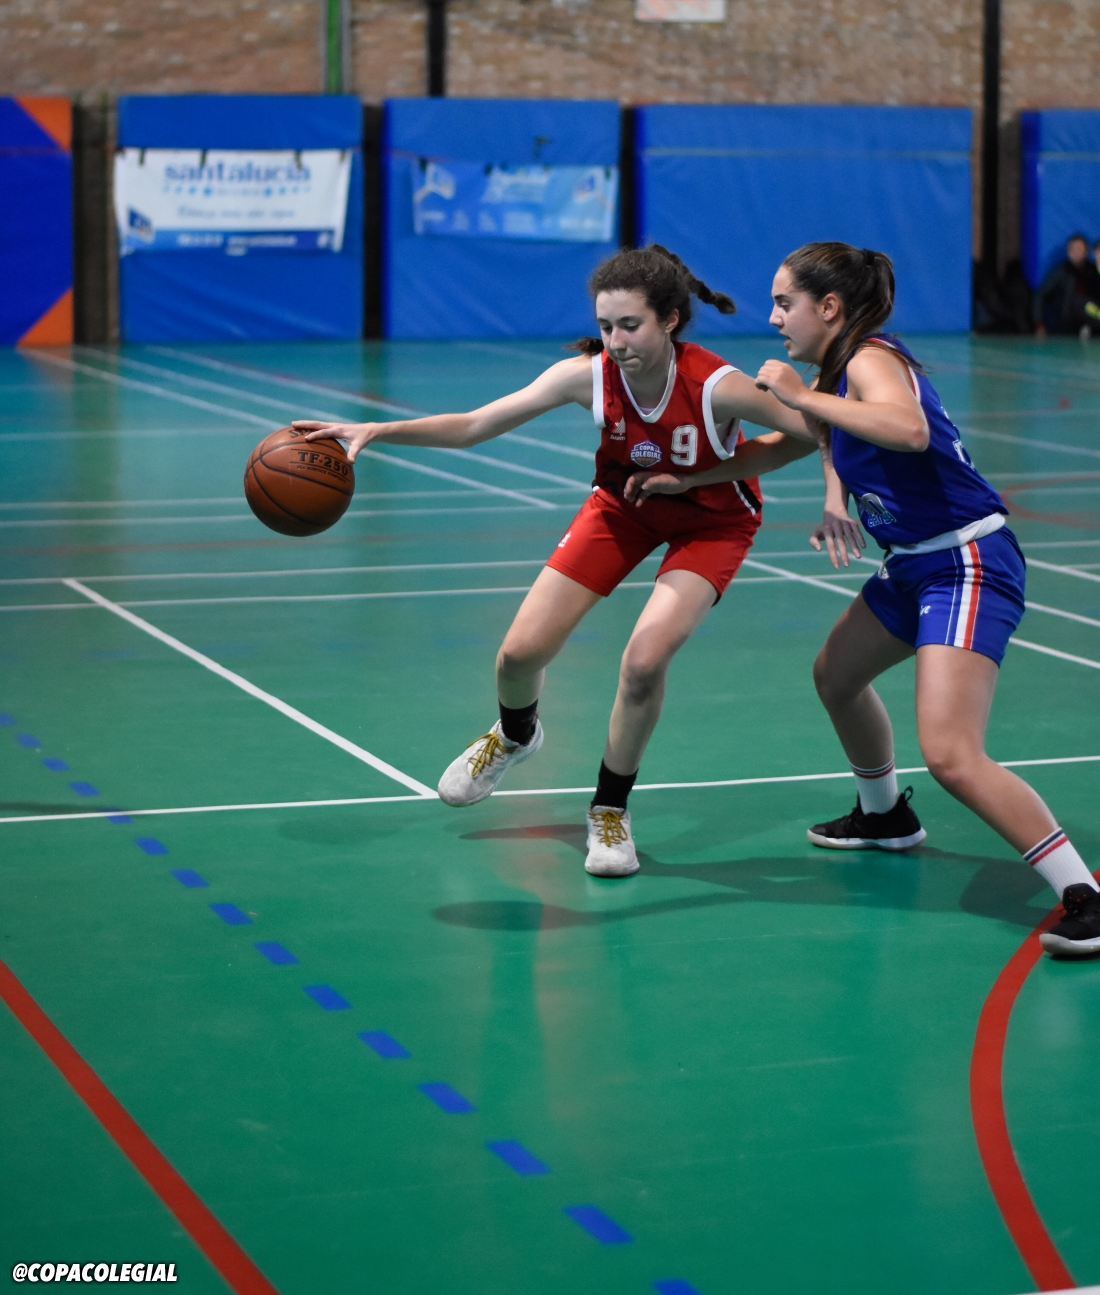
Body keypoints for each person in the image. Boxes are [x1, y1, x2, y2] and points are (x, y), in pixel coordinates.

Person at [630, 241, 1100, 957]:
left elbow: (908, 430)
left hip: (965, 561)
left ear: (830, 307)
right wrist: (689, 481)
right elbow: (780, 446)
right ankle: (884, 817)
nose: (773, 317)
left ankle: (1083, 893)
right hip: (912, 564)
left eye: (784, 302)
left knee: (952, 755)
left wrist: (800, 394)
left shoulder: (871, 359)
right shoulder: (835, 375)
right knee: (837, 674)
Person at [293, 244, 817, 878]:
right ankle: (516, 734)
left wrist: (777, 485)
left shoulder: (716, 385)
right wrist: (376, 431)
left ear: (670, 320)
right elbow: (475, 424)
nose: (615, 341)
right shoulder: (588, 375)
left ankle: (609, 808)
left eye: (631, 325)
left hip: (712, 522)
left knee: (643, 662)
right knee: (518, 655)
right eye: (606, 326)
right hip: (623, 508)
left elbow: (815, 431)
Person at [1035, 233, 1100, 339]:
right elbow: (1040, 295)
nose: (1076, 252)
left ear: (1086, 251)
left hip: (1092, 323)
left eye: (1079, 249)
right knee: (1080, 303)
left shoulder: (1093, 271)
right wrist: (1039, 324)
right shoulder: (1061, 272)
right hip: (1066, 325)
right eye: (1073, 249)